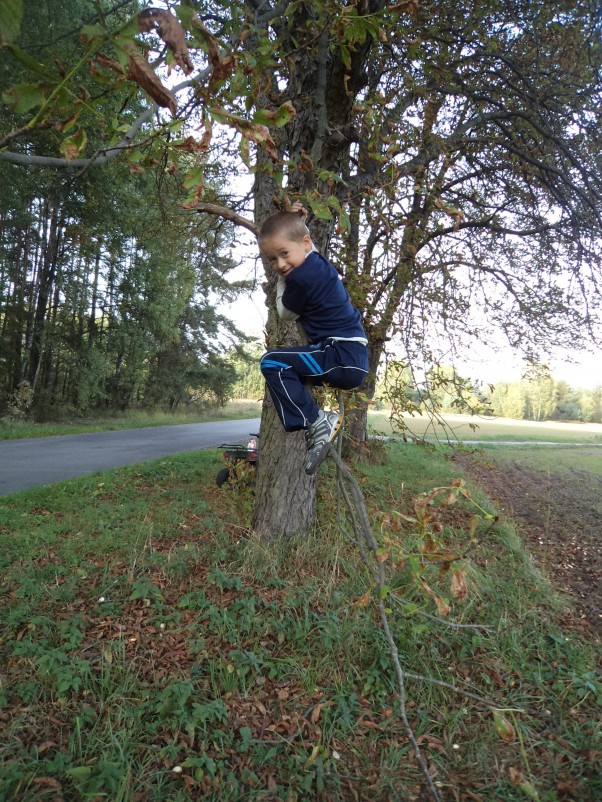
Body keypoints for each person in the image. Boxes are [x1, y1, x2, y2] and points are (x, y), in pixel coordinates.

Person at [259, 206, 369, 475]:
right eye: (273, 260)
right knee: (290, 364)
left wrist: (279, 281)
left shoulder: (301, 277)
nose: (281, 265)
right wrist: (300, 224)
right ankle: (316, 422)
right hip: (349, 356)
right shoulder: (319, 263)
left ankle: (318, 420)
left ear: (305, 243)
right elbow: (305, 248)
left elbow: (285, 312)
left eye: (284, 255)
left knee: (272, 362)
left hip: (340, 354)